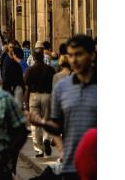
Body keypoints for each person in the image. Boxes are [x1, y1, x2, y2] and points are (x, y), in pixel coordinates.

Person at [27, 35, 97, 180]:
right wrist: (41, 122)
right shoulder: (62, 87)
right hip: (70, 165)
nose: (74, 60)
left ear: (92, 55)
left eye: (79, 54)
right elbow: (57, 126)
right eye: (70, 55)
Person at [24, 41, 56, 157]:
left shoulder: (30, 70)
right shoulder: (50, 69)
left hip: (34, 96)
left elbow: (27, 88)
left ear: (33, 57)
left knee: (35, 123)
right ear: (43, 56)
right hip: (47, 95)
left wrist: (26, 103)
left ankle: (39, 149)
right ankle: (46, 138)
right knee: (46, 119)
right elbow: (54, 85)